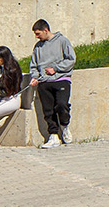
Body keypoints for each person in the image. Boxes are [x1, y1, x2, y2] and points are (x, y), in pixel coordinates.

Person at [29, 19, 75, 147]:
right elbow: (33, 65)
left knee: (61, 105)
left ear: (46, 30)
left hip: (61, 79)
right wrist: (35, 77)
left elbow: (71, 59)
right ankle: (53, 135)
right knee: (48, 110)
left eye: (38, 33)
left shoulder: (62, 41)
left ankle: (64, 126)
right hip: (44, 82)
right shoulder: (38, 47)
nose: (36, 37)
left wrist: (55, 68)